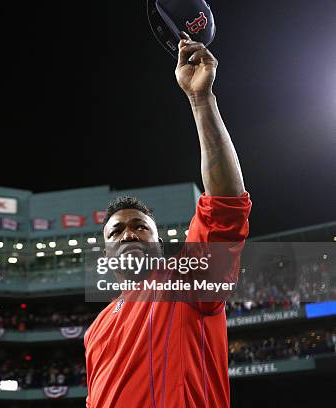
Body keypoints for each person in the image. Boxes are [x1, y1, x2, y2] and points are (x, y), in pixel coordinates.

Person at [84, 33, 252, 407]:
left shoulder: (186, 279)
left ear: (159, 243)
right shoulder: (95, 331)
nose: (129, 232)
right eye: (117, 230)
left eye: (140, 226)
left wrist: (200, 98)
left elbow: (225, 205)